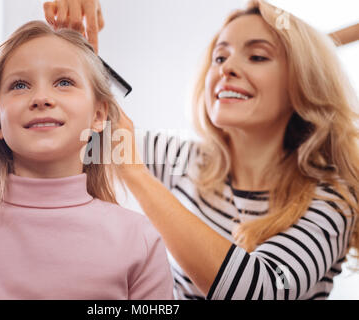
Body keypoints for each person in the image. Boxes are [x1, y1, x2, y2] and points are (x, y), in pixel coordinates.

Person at [44, 0, 359, 299]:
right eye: (220, 57)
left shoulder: (331, 200)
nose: (227, 68)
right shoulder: (186, 161)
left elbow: (257, 290)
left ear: (301, 83)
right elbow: (77, 136)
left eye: (258, 56)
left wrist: (134, 173)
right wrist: (74, 47)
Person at [0, 21, 174, 300]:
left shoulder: (140, 241)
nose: (41, 98)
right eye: (20, 85)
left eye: (64, 82)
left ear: (99, 115)